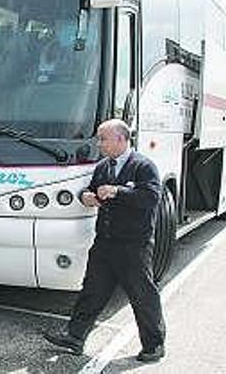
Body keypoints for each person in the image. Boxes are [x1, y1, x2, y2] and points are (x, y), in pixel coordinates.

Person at [43, 119, 166, 363]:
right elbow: (89, 190)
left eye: (103, 139)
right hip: (105, 243)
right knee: (92, 291)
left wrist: (118, 191)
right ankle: (74, 337)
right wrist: (85, 196)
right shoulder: (103, 167)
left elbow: (152, 197)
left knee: (142, 295)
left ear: (120, 139)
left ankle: (154, 345)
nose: (99, 144)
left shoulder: (143, 166)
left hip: (133, 246)